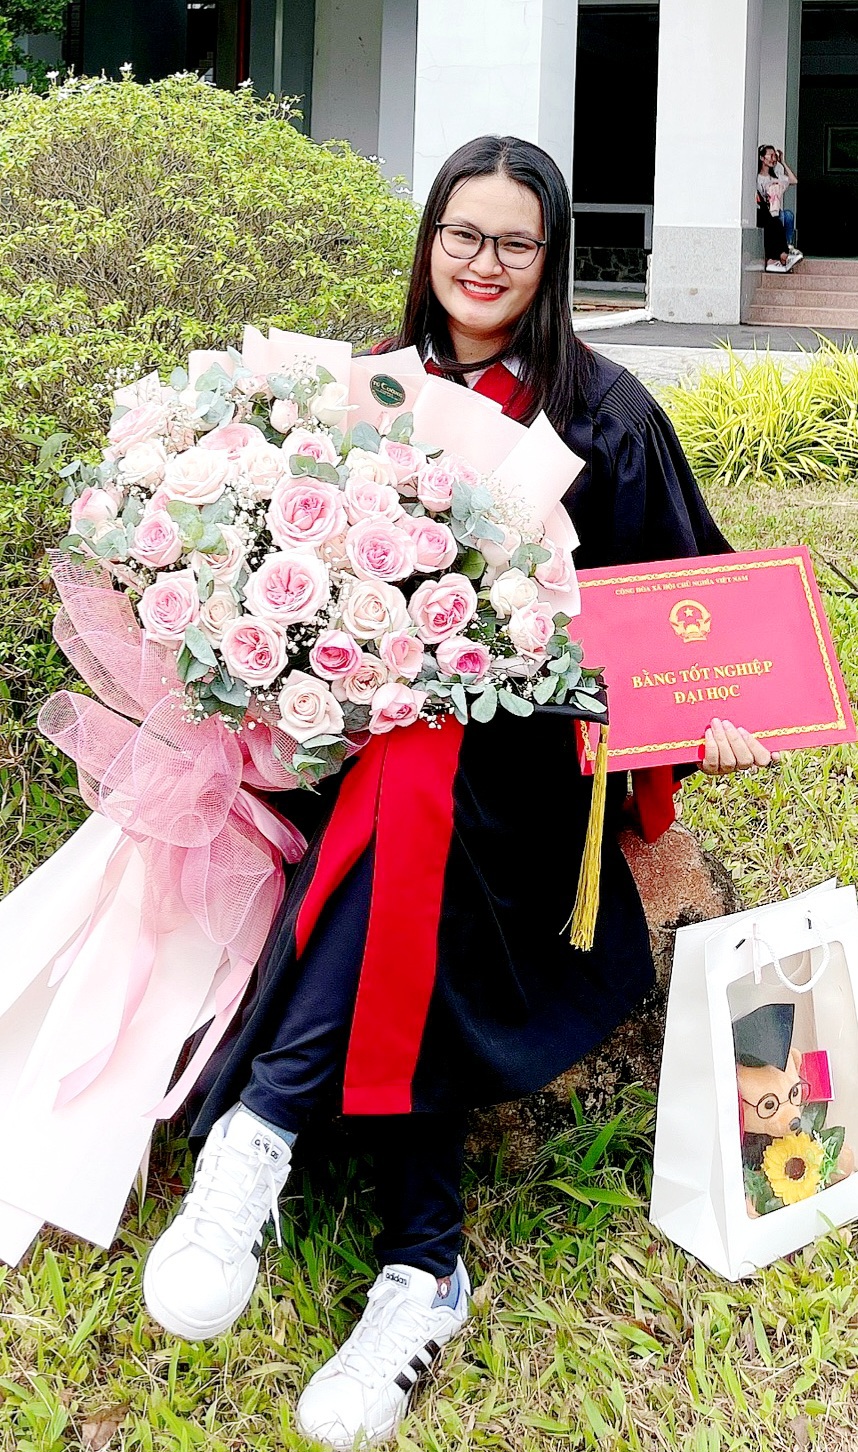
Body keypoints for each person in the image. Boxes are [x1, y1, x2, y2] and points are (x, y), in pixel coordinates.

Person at [142, 135, 777, 1449]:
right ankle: (423, 1266)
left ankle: (264, 1127)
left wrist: (719, 724)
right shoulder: (357, 394)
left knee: (429, 785)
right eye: (460, 234)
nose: (481, 264)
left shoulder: (603, 415)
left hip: (536, 783)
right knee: (411, 783)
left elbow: (691, 614)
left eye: (514, 243)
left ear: (548, 265)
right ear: (428, 241)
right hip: (370, 762)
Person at [757, 144, 801, 271]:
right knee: (778, 218)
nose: (773, 159)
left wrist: (783, 162)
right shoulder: (757, 178)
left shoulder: (776, 176)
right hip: (766, 212)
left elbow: (794, 180)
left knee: (787, 215)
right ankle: (783, 255)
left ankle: (787, 247)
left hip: (776, 212)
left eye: (774, 156)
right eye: (770, 155)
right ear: (761, 158)